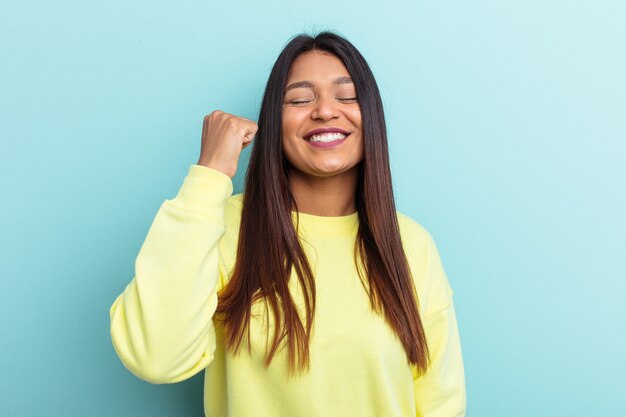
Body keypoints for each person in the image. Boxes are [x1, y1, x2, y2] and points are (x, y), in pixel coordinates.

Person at [109, 30, 466, 417]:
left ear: (372, 117)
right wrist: (209, 175)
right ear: (273, 124)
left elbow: (440, 403)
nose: (326, 111)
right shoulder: (223, 225)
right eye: (299, 99)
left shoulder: (411, 243)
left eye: (346, 96)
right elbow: (155, 357)